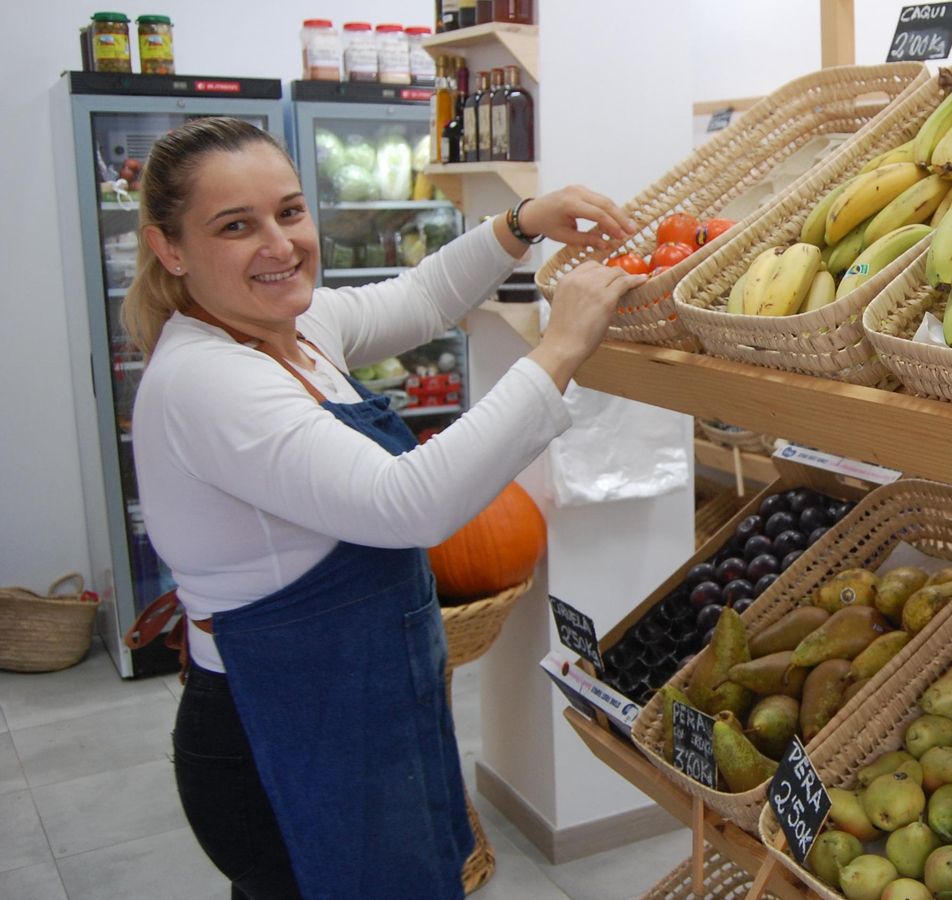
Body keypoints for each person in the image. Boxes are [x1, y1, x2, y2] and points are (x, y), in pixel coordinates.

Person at [119, 116, 645, 899]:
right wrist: (559, 348)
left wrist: (521, 222)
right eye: (236, 226)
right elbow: (408, 504)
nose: (280, 244)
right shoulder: (208, 379)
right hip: (283, 729)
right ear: (169, 249)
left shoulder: (294, 330)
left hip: (360, 702)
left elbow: (422, 296)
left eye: (290, 212)